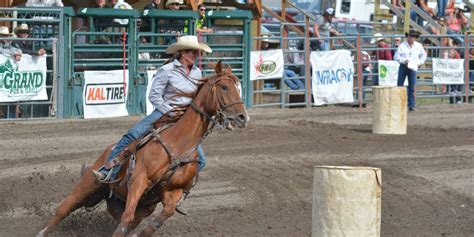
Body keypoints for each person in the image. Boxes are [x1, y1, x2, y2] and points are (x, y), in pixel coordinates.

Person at [92, 35, 212, 183]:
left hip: (186, 116)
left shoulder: (197, 72)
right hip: (165, 112)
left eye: (196, 52)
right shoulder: (167, 70)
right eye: (192, 52)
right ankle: (108, 170)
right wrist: (169, 110)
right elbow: (154, 96)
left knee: (201, 161)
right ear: (182, 52)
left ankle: (175, 187)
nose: (195, 55)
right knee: (133, 134)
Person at [394, 30, 427, 111]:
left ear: (415, 38)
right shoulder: (402, 45)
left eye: (413, 37)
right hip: (403, 66)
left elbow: (424, 55)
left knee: (412, 87)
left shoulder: (418, 46)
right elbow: (396, 57)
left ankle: (411, 105)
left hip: (413, 67)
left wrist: (419, 63)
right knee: (400, 86)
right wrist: (404, 61)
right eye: (410, 36)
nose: (411, 38)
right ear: (407, 37)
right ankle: (399, 104)